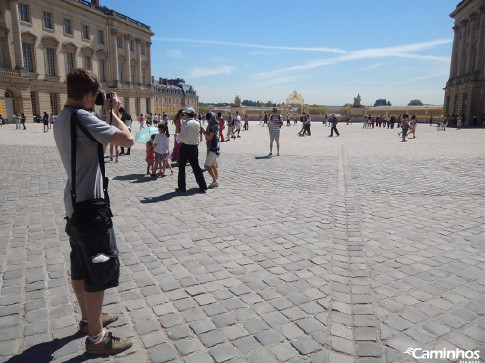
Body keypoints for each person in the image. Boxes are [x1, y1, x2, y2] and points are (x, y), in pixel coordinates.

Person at [53, 68, 133, 355]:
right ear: (88, 94)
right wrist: (114, 111)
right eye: (95, 95)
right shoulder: (83, 117)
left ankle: (89, 320)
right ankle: (97, 339)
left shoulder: (61, 118)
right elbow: (128, 140)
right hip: (91, 207)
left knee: (80, 265)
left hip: (73, 204)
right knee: (97, 271)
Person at [175, 107, 207, 193]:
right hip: (194, 147)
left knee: (182, 167)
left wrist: (177, 136)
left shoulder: (185, 123)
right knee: (196, 167)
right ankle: (203, 185)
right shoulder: (197, 123)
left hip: (186, 147)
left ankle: (182, 186)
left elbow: (183, 138)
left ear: (187, 114)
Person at [200, 112, 220, 188]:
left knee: (206, 166)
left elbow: (209, 138)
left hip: (212, 148)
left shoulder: (212, 127)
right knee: (213, 166)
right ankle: (216, 180)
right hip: (215, 147)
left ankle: (215, 180)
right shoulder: (215, 125)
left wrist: (203, 131)